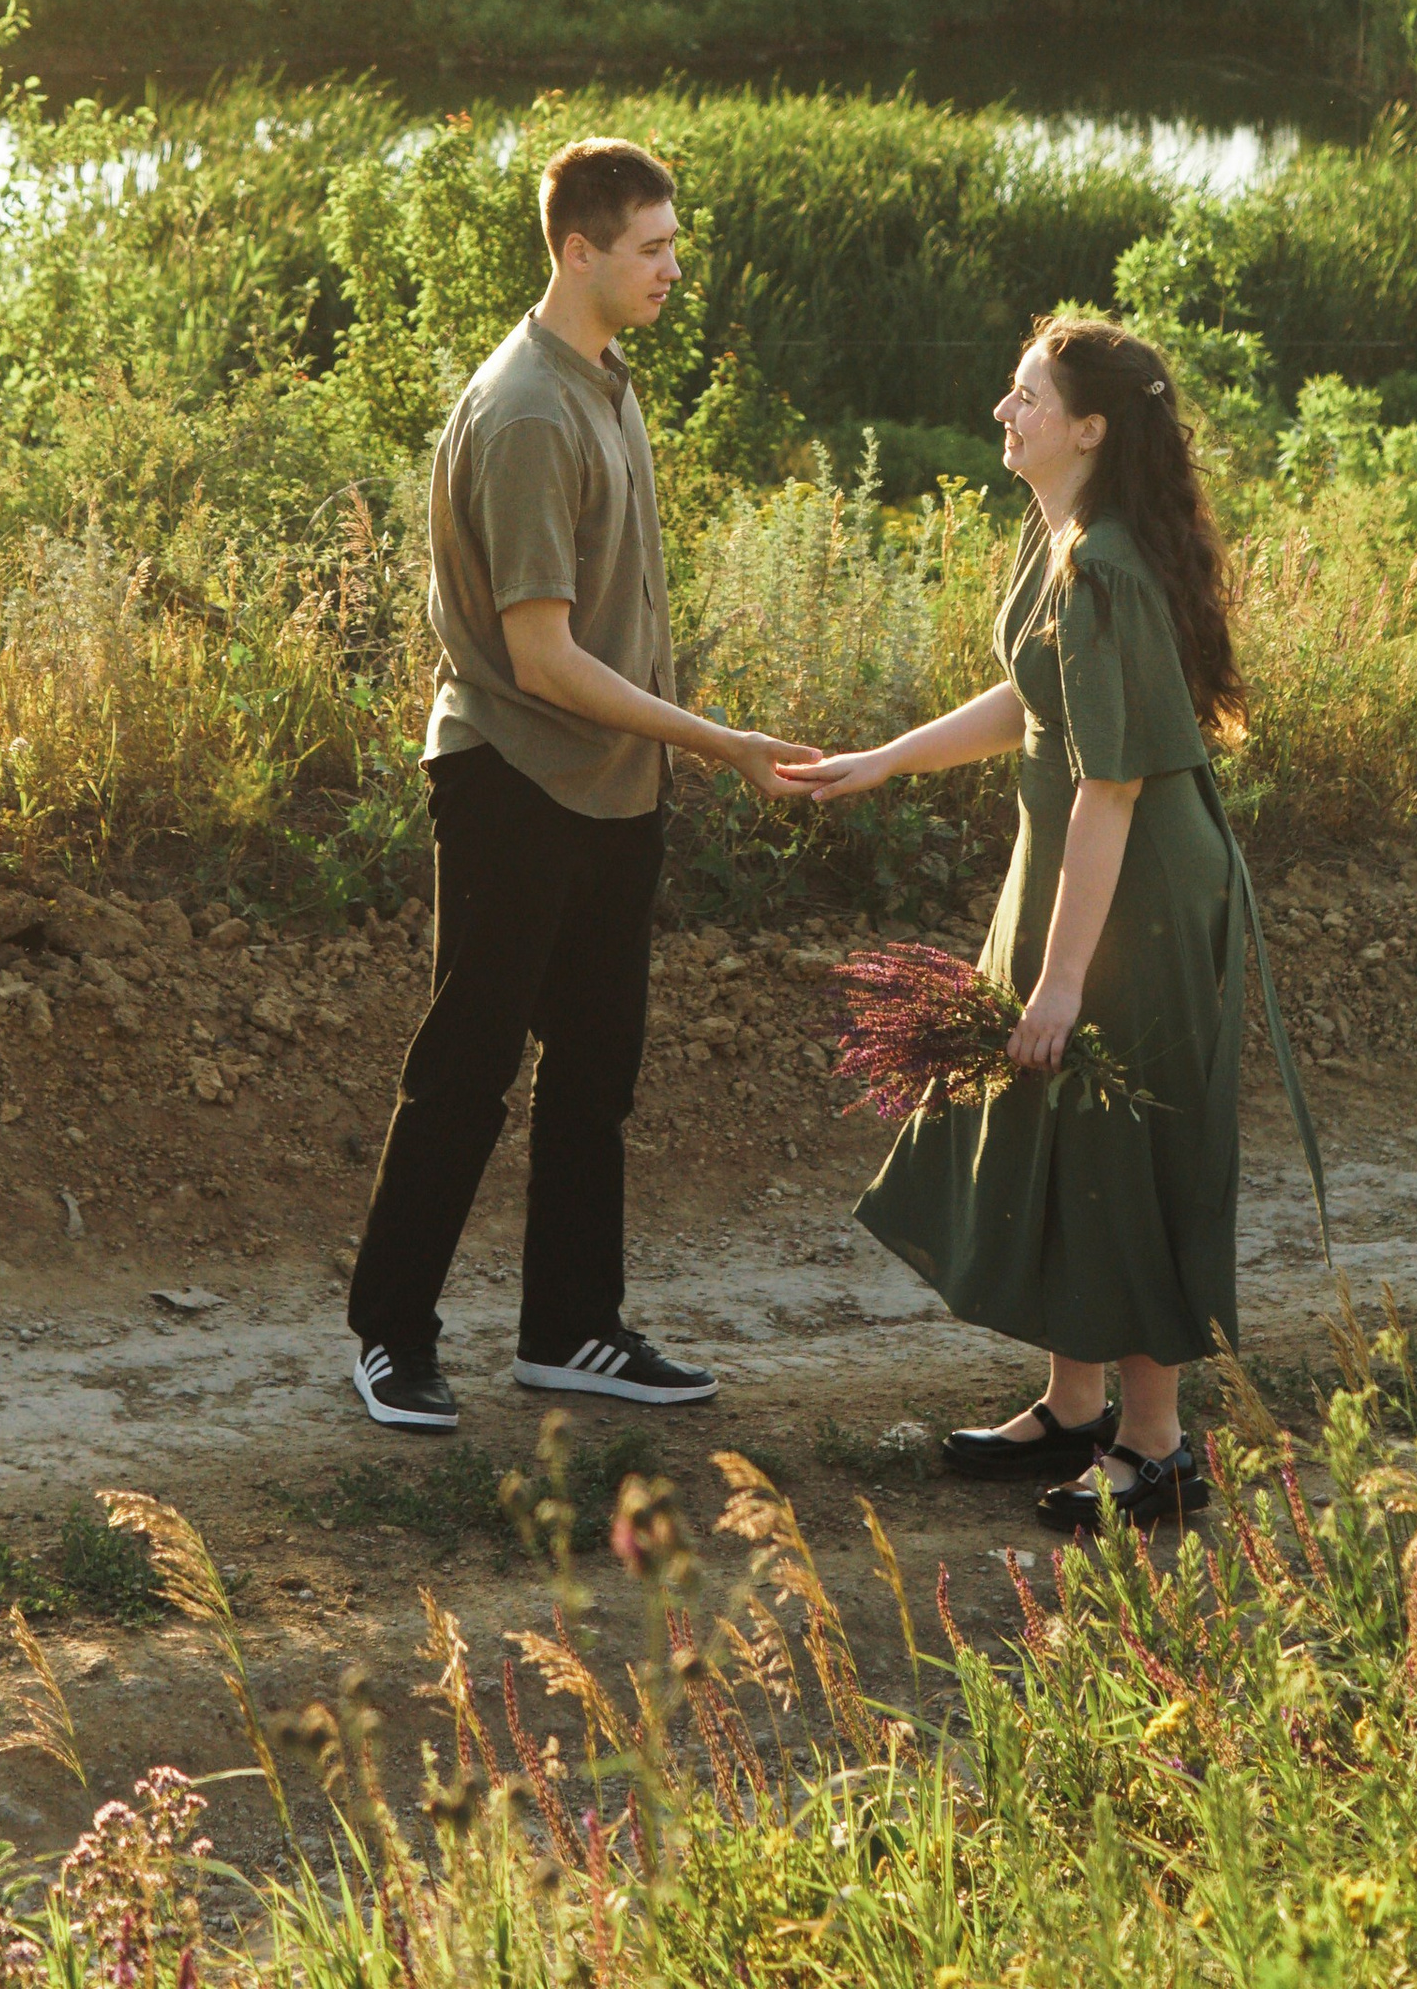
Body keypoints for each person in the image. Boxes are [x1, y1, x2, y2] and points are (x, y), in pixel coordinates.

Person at [779, 318, 1323, 1535]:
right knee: (1062, 1129)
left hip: (1139, 898)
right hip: (1075, 873)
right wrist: (884, 760)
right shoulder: (1062, 537)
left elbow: (1110, 787)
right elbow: (1035, 699)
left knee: (1126, 1143)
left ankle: (1156, 1447)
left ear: (1088, 429)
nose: (1002, 412)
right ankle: (1076, 1405)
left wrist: (1062, 983)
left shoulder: (1110, 569)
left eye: (1025, 396)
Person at [345, 135, 819, 1433]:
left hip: (613, 783)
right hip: (514, 777)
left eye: (673, 245)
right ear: (578, 251)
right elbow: (541, 660)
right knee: (469, 1064)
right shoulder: (528, 413)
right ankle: (390, 1338)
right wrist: (720, 742)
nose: (674, 270)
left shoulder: (606, 381)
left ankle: (570, 1331)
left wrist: (666, 751)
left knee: (595, 1069)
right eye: (651, 249)